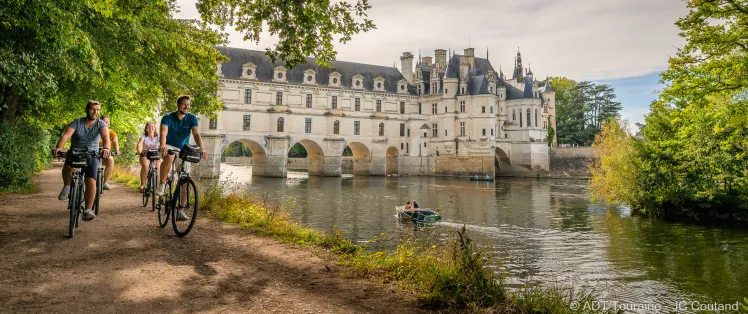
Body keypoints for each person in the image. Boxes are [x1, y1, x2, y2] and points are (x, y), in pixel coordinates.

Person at [52, 100, 111, 220]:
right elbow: (66, 135)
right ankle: (67, 186)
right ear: (86, 110)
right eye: (93, 109)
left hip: (92, 154)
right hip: (76, 152)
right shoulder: (77, 122)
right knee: (68, 166)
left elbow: (105, 137)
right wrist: (59, 148)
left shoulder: (101, 124)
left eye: (98, 110)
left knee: (90, 180)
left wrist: (106, 148)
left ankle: (88, 209)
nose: (95, 112)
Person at [155, 95, 208, 221]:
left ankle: (180, 209)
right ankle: (162, 185)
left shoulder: (192, 118)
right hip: (167, 145)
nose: (187, 107)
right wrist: (162, 145)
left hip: (183, 148)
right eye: (184, 104)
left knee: (185, 178)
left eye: (188, 105)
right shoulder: (167, 117)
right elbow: (163, 132)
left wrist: (202, 148)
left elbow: (196, 134)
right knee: (168, 157)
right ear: (177, 105)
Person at [136, 122, 160, 191]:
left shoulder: (158, 136)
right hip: (145, 154)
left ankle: (158, 185)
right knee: (145, 166)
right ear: (146, 129)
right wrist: (139, 151)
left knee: (158, 167)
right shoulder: (144, 136)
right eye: (149, 127)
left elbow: (162, 144)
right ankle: (143, 184)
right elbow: (139, 144)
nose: (151, 128)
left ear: (155, 128)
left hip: (155, 154)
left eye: (153, 126)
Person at [99, 115, 120, 190]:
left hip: (106, 153)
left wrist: (117, 150)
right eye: (105, 122)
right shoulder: (96, 130)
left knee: (111, 160)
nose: (106, 123)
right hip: (94, 152)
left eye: (108, 122)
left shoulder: (111, 132)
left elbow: (115, 142)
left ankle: (105, 182)